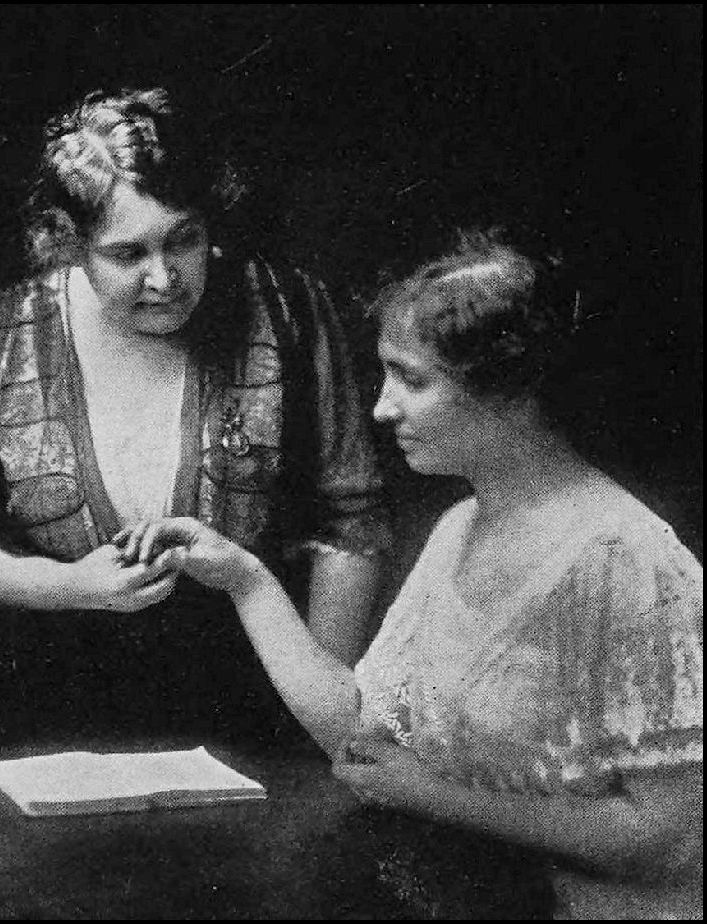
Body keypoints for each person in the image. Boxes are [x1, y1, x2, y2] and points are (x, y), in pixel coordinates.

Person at [119, 232, 703, 919]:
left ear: (508, 391)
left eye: (413, 380)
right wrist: (243, 578)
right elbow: (369, 737)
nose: (381, 407)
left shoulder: (626, 559)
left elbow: (666, 842)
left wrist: (432, 795)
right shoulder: (460, 525)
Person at [0, 87, 389, 747]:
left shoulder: (288, 313)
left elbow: (351, 518)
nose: (164, 278)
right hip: (55, 719)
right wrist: (69, 585)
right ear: (66, 242)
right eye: (128, 254)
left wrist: (322, 700)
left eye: (183, 240)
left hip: (258, 711)